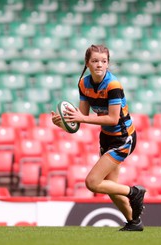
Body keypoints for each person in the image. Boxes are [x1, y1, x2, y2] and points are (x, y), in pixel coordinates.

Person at [51, 44, 146, 231]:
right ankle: (134, 222)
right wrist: (63, 123)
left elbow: (112, 118)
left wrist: (81, 117)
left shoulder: (113, 85)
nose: (99, 65)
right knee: (110, 186)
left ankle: (134, 192)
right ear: (87, 63)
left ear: (108, 64)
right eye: (95, 61)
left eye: (103, 61)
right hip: (106, 138)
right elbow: (82, 118)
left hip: (123, 138)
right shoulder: (84, 84)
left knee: (92, 182)